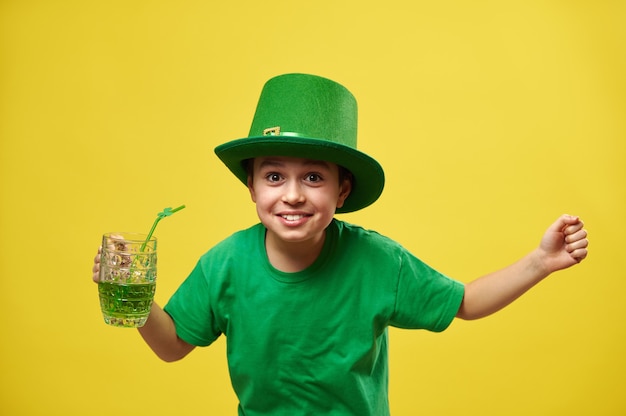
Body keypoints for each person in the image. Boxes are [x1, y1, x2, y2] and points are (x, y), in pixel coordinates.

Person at [92, 73, 588, 415]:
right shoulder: (225, 263)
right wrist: (133, 297)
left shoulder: (377, 260)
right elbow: (173, 346)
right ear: (252, 188)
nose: (291, 194)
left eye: (312, 176)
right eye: (273, 176)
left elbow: (466, 302)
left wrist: (540, 261)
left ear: (341, 190)